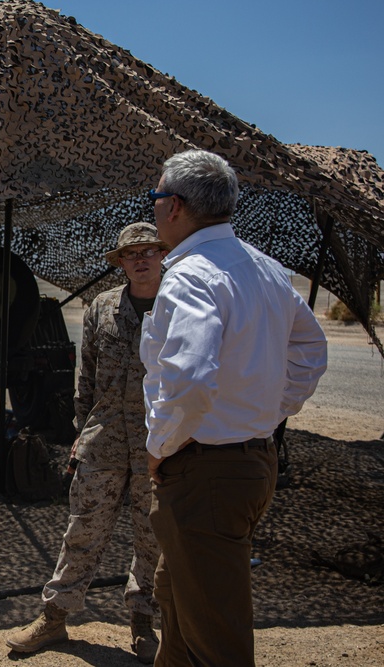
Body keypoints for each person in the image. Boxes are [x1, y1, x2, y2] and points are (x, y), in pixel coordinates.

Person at [141, 149, 328, 666]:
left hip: (204, 470)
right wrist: (266, 410)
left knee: (216, 639)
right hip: (247, 461)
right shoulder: (266, 269)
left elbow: (189, 377)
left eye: (156, 199)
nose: (154, 209)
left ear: (174, 205)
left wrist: (160, 447)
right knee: (179, 610)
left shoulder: (191, 274)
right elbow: (310, 353)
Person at [6, 222, 169, 662]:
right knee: (83, 530)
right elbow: (87, 376)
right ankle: (54, 618)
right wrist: (85, 430)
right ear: (121, 263)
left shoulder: (181, 303)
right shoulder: (102, 306)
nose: (140, 259)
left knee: (152, 537)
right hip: (105, 440)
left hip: (161, 442)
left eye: (148, 251)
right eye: (131, 254)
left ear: (161, 254)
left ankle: (142, 620)